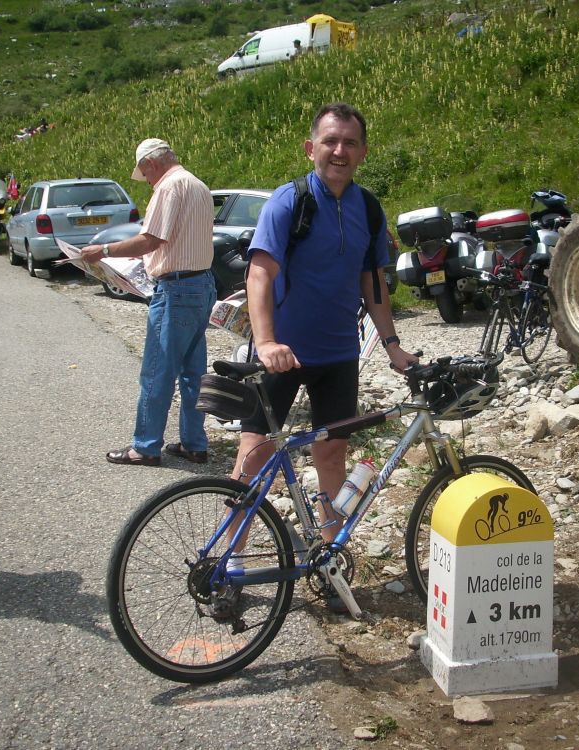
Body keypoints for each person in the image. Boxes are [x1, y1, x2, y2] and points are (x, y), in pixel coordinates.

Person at [230, 103, 417, 554]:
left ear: (364, 152)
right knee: (255, 457)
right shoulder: (289, 200)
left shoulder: (369, 209)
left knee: (333, 454)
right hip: (283, 353)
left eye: (350, 143)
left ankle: (330, 556)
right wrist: (267, 341)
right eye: (330, 142)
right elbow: (259, 274)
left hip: (338, 355)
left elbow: (371, 282)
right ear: (310, 148)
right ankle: (229, 561)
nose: (339, 151)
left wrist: (392, 345)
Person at [81, 138, 216, 466]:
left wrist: (105, 251)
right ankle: (195, 444)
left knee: (158, 370)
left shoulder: (169, 187)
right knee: (193, 373)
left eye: (145, 173)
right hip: (202, 284)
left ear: (152, 164)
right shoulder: (198, 185)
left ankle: (145, 446)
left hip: (177, 290)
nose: (147, 180)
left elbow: (151, 239)